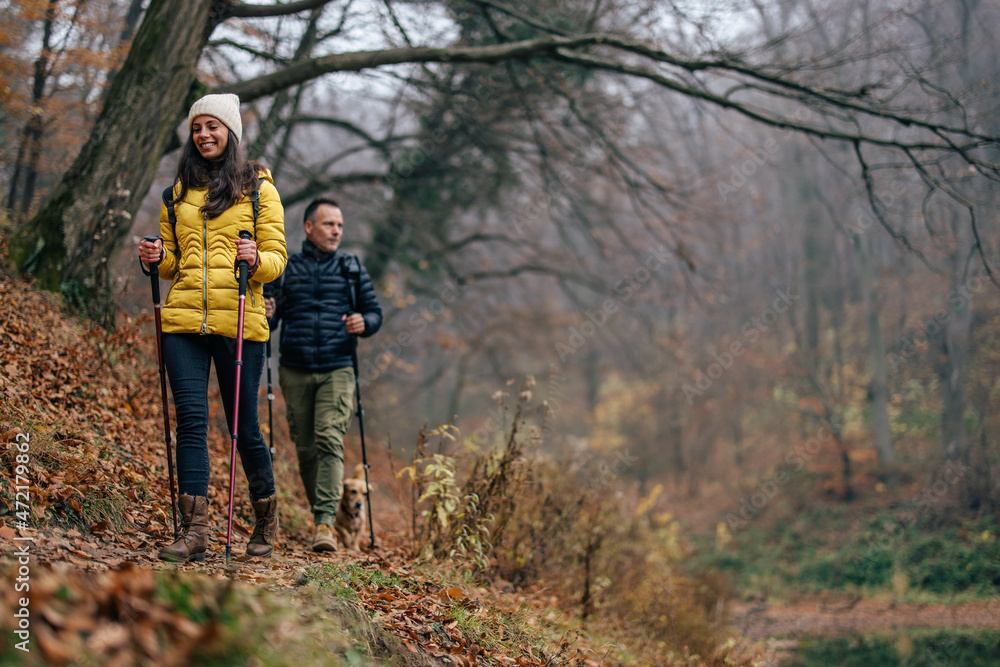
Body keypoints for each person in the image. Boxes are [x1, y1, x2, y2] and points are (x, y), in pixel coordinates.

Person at [138, 93, 287, 562]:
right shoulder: (175, 193)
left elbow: (277, 260)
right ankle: (195, 529)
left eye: (213, 126)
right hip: (183, 320)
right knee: (191, 423)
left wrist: (255, 259)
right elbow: (173, 262)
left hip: (238, 320)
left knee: (242, 425)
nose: (203, 134)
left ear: (231, 132)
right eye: (197, 127)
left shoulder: (260, 189)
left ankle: (265, 518)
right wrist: (157, 259)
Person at [264, 196, 381, 551]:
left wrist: (365, 323)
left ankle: (325, 524)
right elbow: (267, 322)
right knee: (306, 445)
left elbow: (373, 312)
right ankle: (322, 516)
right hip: (295, 368)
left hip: (337, 367)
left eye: (341, 226)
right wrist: (267, 311)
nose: (336, 231)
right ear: (309, 227)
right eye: (330, 224)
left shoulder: (350, 267)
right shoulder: (286, 267)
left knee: (329, 437)